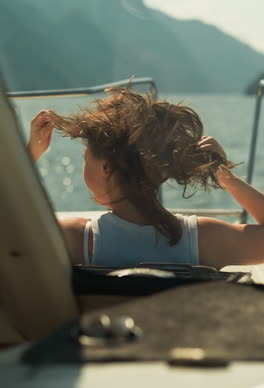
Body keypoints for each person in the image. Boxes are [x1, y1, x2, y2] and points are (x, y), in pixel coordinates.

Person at [27, 87, 264, 270]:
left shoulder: (76, 239)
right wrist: (226, 178)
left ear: (106, 168)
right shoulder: (204, 239)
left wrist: (29, 155)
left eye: (86, 157)